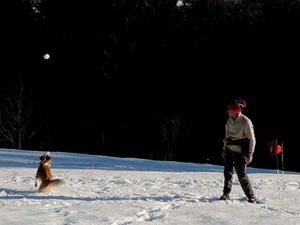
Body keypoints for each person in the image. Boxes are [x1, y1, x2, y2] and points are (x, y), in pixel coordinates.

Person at [219, 99, 258, 203]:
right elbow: (226, 137)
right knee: (227, 173)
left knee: (242, 175)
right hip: (229, 149)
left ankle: (251, 196)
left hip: (240, 151)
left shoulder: (245, 121)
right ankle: (225, 194)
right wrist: (224, 149)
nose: (228, 111)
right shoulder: (229, 120)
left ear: (235, 111)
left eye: (229, 109)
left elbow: (252, 139)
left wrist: (250, 154)